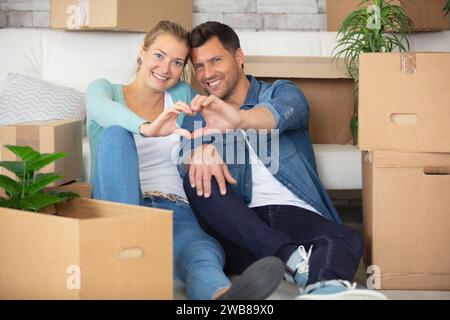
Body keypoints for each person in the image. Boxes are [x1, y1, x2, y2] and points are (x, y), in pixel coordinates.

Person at [178, 21, 387, 300]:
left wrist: (239, 118)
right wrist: (196, 153)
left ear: (239, 57)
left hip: (296, 214)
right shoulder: (197, 113)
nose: (207, 74)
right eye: (199, 66)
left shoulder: (279, 92)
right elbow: (184, 154)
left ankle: (324, 289)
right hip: (240, 220)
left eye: (215, 60)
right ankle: (293, 260)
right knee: (197, 178)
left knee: (347, 237)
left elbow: (285, 112)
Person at [85, 20, 284, 300]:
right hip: (124, 209)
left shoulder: (181, 96)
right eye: (159, 55)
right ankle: (129, 264)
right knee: (116, 135)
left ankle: (223, 298)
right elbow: (100, 109)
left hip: (175, 211)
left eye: (177, 62)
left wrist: (203, 149)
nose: (166, 68)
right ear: (142, 50)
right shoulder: (104, 90)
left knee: (203, 254)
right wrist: (147, 127)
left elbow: (203, 133)